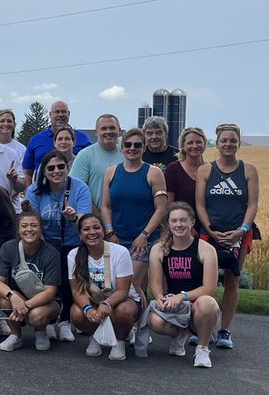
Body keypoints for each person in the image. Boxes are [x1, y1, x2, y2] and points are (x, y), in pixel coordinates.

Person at [101, 126, 168, 356]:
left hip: (143, 240)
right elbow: (106, 205)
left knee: (134, 286)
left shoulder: (153, 173)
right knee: (112, 287)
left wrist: (145, 234)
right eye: (128, 145)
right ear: (121, 148)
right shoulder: (111, 172)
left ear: (144, 148)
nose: (132, 149)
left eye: (137, 145)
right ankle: (122, 326)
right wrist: (109, 231)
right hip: (117, 239)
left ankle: (140, 327)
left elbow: (161, 208)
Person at [195, 123, 260, 351]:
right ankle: (201, 326)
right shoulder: (205, 170)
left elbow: (252, 204)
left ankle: (224, 329)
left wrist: (241, 230)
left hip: (239, 233)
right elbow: (200, 205)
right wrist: (210, 229)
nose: (228, 144)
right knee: (201, 280)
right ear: (217, 143)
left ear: (238, 143)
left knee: (232, 279)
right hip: (210, 231)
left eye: (233, 140)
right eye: (224, 140)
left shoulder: (248, 170)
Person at [24, 150, 92, 342]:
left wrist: (74, 217)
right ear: (44, 171)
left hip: (73, 242)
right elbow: (32, 222)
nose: (56, 171)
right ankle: (51, 320)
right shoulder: (35, 190)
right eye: (51, 168)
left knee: (71, 281)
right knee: (50, 281)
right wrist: (44, 248)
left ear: (67, 167)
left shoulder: (80, 187)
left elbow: (86, 221)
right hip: (46, 240)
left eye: (60, 166)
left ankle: (65, 321)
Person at [147, 203, 220, 368]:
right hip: (174, 305)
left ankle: (202, 348)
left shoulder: (206, 249)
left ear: (192, 222)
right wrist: (159, 298)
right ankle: (180, 335)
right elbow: (156, 284)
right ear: (168, 224)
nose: (178, 225)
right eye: (174, 221)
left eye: (183, 220)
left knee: (208, 303)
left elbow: (209, 288)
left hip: (197, 306)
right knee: (154, 321)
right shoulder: (159, 249)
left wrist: (183, 296)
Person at [68, 213, 142, 361]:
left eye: (96, 228)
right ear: (80, 234)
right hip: (94, 300)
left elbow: (123, 290)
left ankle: (119, 340)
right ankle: (96, 335)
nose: (92, 233)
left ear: (103, 231)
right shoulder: (73, 255)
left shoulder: (120, 252)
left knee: (124, 311)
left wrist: (106, 304)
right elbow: (77, 290)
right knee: (76, 313)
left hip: (122, 300)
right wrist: (88, 309)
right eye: (86, 229)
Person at [0, 209, 61, 352]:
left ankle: (40, 332)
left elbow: (50, 292)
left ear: (41, 228)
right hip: (19, 294)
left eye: (34, 225)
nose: (29, 229)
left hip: (47, 301)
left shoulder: (51, 253)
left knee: (35, 316)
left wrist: (24, 305)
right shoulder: (8, 248)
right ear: (18, 229)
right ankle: (16, 335)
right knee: (5, 299)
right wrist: (13, 297)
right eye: (24, 226)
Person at [22, 100, 91, 186]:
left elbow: (91, 168)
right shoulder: (36, 140)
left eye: (63, 112)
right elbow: (28, 173)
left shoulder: (84, 139)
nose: (60, 115)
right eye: (57, 112)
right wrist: (29, 195)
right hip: (44, 192)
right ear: (50, 114)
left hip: (75, 193)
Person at [69, 114, 122, 211]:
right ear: (96, 132)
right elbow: (76, 190)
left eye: (112, 128)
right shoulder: (85, 155)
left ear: (119, 130)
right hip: (94, 220)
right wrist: (99, 218)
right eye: (104, 128)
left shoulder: (127, 155)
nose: (108, 131)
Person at [165, 126, 208, 214]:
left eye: (199, 142)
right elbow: (169, 203)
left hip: (211, 225)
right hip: (182, 224)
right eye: (190, 143)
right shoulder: (173, 169)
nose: (195, 146)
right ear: (183, 146)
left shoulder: (212, 169)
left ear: (204, 144)